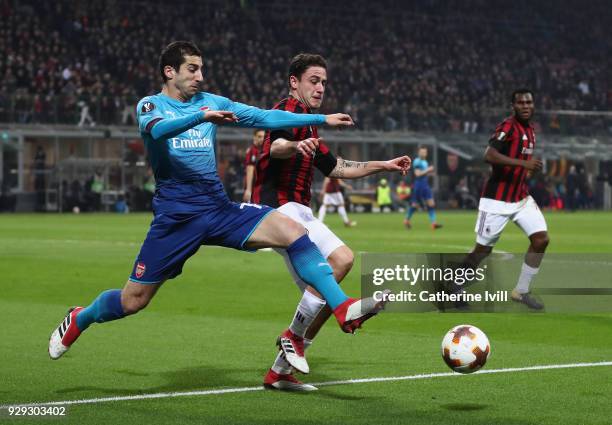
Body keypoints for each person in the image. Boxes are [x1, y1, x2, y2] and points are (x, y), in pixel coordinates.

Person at [48, 41, 388, 363]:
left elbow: (264, 117)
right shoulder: (150, 105)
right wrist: (202, 117)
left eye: (201, 69)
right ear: (170, 71)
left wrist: (320, 119)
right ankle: (82, 316)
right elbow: (158, 131)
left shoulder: (212, 100)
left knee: (293, 230)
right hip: (176, 217)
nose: (200, 76)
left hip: (216, 207)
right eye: (192, 69)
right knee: (132, 301)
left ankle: (342, 306)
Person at [253, 53, 411, 391]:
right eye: (314, 80)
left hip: (300, 210)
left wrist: (385, 164)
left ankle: (281, 369)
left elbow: (338, 167)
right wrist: (295, 146)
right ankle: (297, 335)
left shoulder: (311, 124)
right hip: (279, 210)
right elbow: (276, 146)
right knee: (335, 269)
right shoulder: (285, 112)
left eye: (324, 81)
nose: (321, 87)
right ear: (294, 81)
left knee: (334, 276)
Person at [459, 89, 549, 310]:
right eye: (521, 102)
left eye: (529, 102)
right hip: (496, 201)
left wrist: (530, 171)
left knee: (541, 240)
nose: (526, 106)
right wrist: (524, 165)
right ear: (513, 106)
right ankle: (453, 286)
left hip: (520, 197)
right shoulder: (508, 126)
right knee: (483, 249)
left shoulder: (531, 130)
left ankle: (521, 290)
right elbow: (489, 155)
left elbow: (521, 165)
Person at [404, 146, 443, 229]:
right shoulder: (417, 162)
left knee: (431, 203)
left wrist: (429, 173)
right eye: (422, 152)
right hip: (419, 185)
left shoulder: (425, 161)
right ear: (419, 153)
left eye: (424, 152)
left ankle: (433, 223)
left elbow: (423, 173)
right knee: (415, 205)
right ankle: (407, 219)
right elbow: (417, 174)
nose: (423, 153)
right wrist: (428, 170)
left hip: (425, 185)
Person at [242, 129, 265, 202]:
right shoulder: (252, 150)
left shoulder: (262, 151)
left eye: (263, 137)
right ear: (254, 137)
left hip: (260, 187)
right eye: (259, 136)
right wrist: (248, 190)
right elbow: (250, 169)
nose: (262, 139)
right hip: (252, 188)